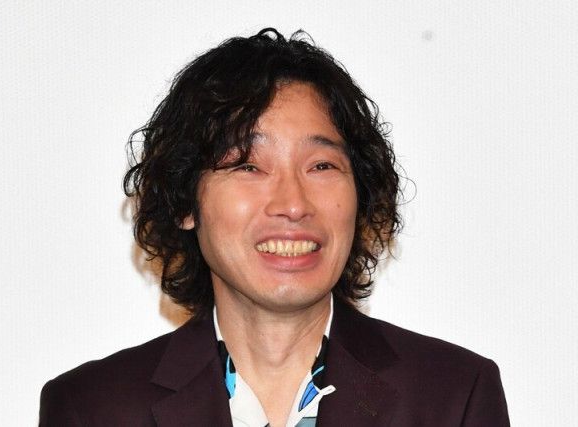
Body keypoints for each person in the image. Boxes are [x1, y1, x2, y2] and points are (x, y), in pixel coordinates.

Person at [39, 28, 509, 426]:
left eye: (321, 166)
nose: (293, 204)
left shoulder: (453, 397)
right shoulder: (92, 408)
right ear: (185, 203)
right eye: (248, 165)